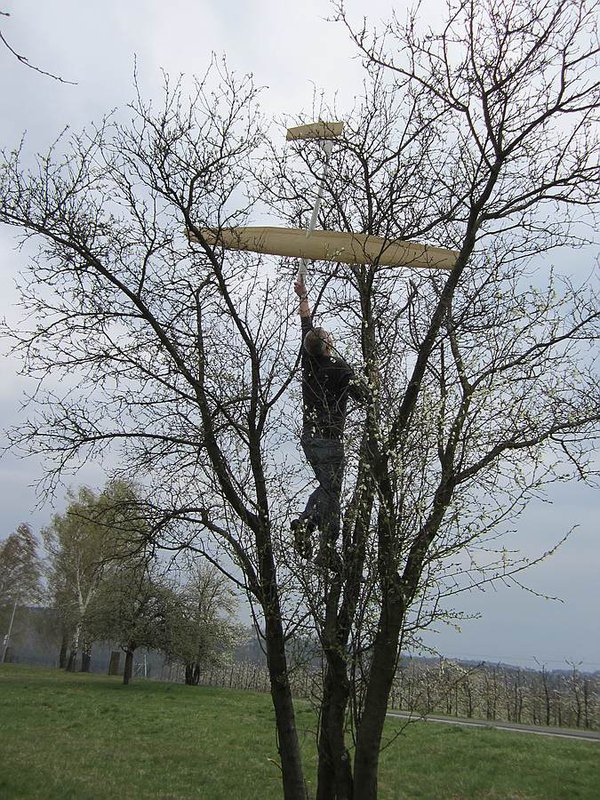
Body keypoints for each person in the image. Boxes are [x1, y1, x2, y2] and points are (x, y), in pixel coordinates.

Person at [291, 278, 367, 568]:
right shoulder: (339, 369)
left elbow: (305, 326)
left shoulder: (308, 362)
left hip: (309, 437)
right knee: (332, 491)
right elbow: (365, 397)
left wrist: (303, 296)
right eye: (331, 341)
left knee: (326, 486)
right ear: (326, 347)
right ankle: (325, 546)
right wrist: (367, 378)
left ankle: (306, 525)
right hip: (330, 439)